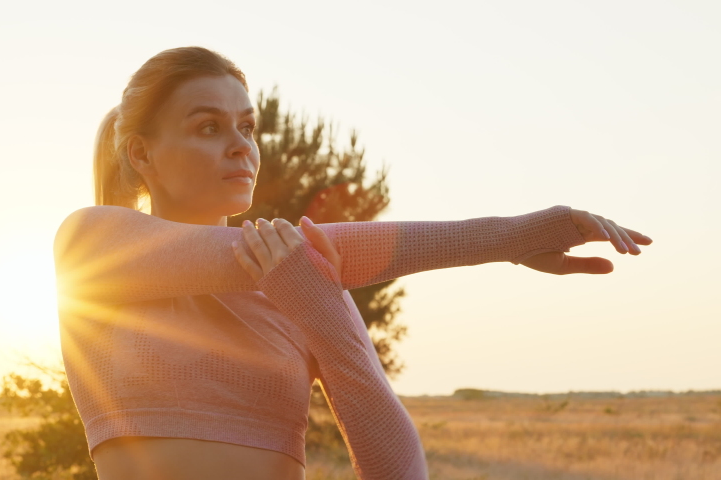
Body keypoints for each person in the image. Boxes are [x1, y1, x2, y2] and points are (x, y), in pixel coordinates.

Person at [52, 46, 652, 480]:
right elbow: (256, 256)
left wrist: (325, 314)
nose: (241, 145)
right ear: (141, 152)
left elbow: (399, 472)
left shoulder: (307, 286)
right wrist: (507, 237)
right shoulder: (92, 243)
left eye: (247, 127)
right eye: (209, 127)